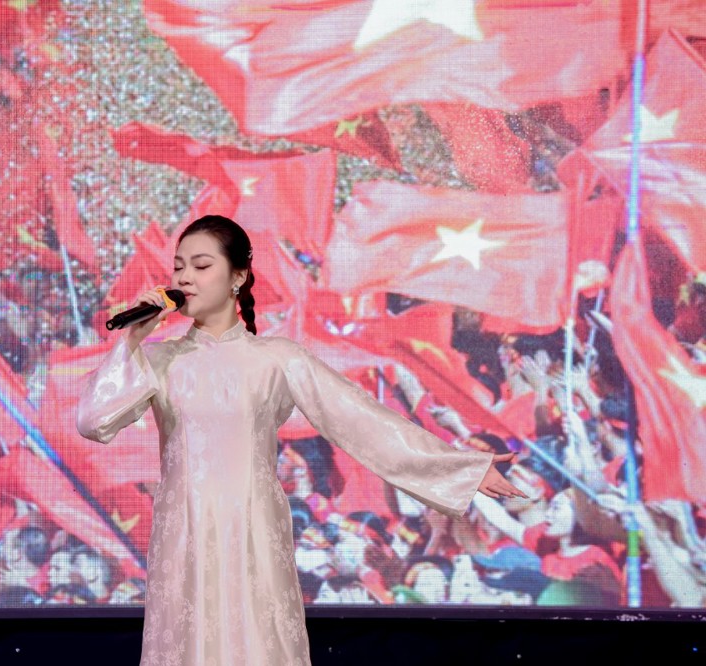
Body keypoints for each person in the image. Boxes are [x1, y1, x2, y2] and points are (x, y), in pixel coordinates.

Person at [76, 215, 524, 665]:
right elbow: (94, 421)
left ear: (238, 277)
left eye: (201, 265)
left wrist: (463, 470)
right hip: (184, 535)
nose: (184, 278)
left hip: (253, 530)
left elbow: (361, 422)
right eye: (178, 267)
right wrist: (132, 341)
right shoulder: (159, 360)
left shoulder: (278, 358)